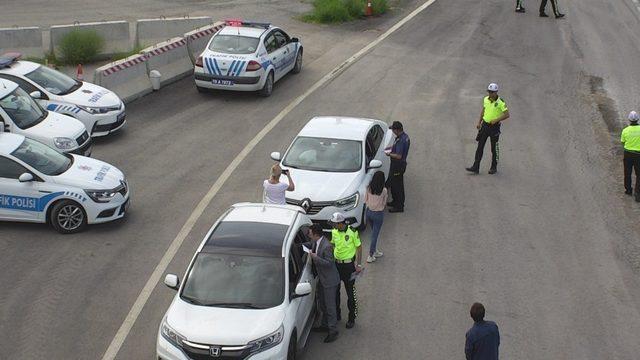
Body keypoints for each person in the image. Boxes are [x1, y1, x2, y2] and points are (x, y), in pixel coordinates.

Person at [303, 224, 340, 343]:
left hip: (329, 281)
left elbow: (329, 263)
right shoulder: (317, 242)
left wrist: (315, 257)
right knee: (323, 303)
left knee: (330, 307)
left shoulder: (327, 246)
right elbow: (310, 245)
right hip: (322, 279)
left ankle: (333, 331)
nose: (308, 235)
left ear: (315, 234)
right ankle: (325, 325)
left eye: (309, 233)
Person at [466, 83, 510, 175]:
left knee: (494, 148)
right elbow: (483, 110)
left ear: (496, 92)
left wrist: (496, 120)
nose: (490, 94)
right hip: (485, 126)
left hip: (494, 128)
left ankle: (494, 167)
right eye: (489, 92)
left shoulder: (501, 102)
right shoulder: (486, 99)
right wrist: (479, 122)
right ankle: (476, 167)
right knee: (480, 147)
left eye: (492, 92)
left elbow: (507, 114)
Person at [330, 212, 363, 329]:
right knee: (335, 291)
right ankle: (337, 314)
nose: (333, 225)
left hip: (349, 266)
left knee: (350, 293)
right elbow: (333, 245)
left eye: (335, 223)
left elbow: (359, 247)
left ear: (340, 223)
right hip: (337, 265)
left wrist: (358, 264)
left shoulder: (353, 232)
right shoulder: (334, 232)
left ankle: (352, 318)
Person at [385, 121, 410, 213]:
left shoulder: (401, 140)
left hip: (398, 166)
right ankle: (395, 202)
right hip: (399, 165)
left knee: (397, 186)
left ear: (397, 130)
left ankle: (399, 206)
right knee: (395, 184)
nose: (392, 131)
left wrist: (389, 154)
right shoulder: (404, 137)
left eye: (393, 130)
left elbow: (398, 156)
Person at [364, 171, 387, 263]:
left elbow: (365, 200)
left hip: (369, 212)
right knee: (375, 235)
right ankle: (370, 254)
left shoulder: (368, 188)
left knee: (373, 233)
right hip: (378, 214)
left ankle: (375, 250)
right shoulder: (383, 190)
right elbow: (384, 203)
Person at [621, 111, 640, 201]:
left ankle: (628, 190)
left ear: (629, 120)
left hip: (628, 154)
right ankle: (638, 194)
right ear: (637, 119)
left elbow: (623, 142)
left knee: (627, 172)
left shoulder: (625, 130)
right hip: (638, 155)